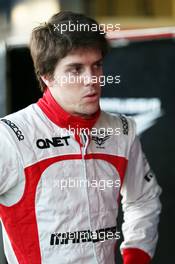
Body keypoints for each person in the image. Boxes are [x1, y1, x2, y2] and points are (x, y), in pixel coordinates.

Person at [0, 11, 161, 264]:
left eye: (96, 65)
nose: (92, 80)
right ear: (47, 75)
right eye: (75, 69)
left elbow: (143, 199)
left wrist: (136, 257)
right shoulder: (10, 137)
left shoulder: (122, 130)